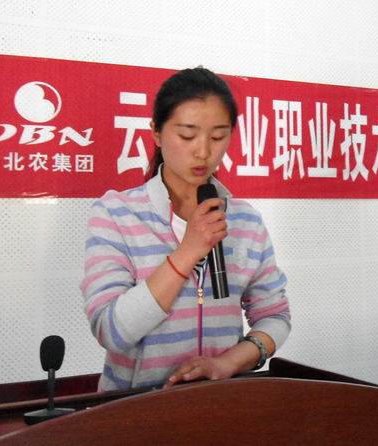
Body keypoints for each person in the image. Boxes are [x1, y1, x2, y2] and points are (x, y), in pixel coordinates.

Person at [81, 67, 290, 391]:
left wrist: (229, 362)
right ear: (156, 132)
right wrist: (188, 251)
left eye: (218, 137)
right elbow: (112, 331)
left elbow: (275, 317)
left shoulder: (246, 222)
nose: (203, 151)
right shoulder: (115, 214)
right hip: (133, 411)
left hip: (220, 405)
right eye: (187, 136)